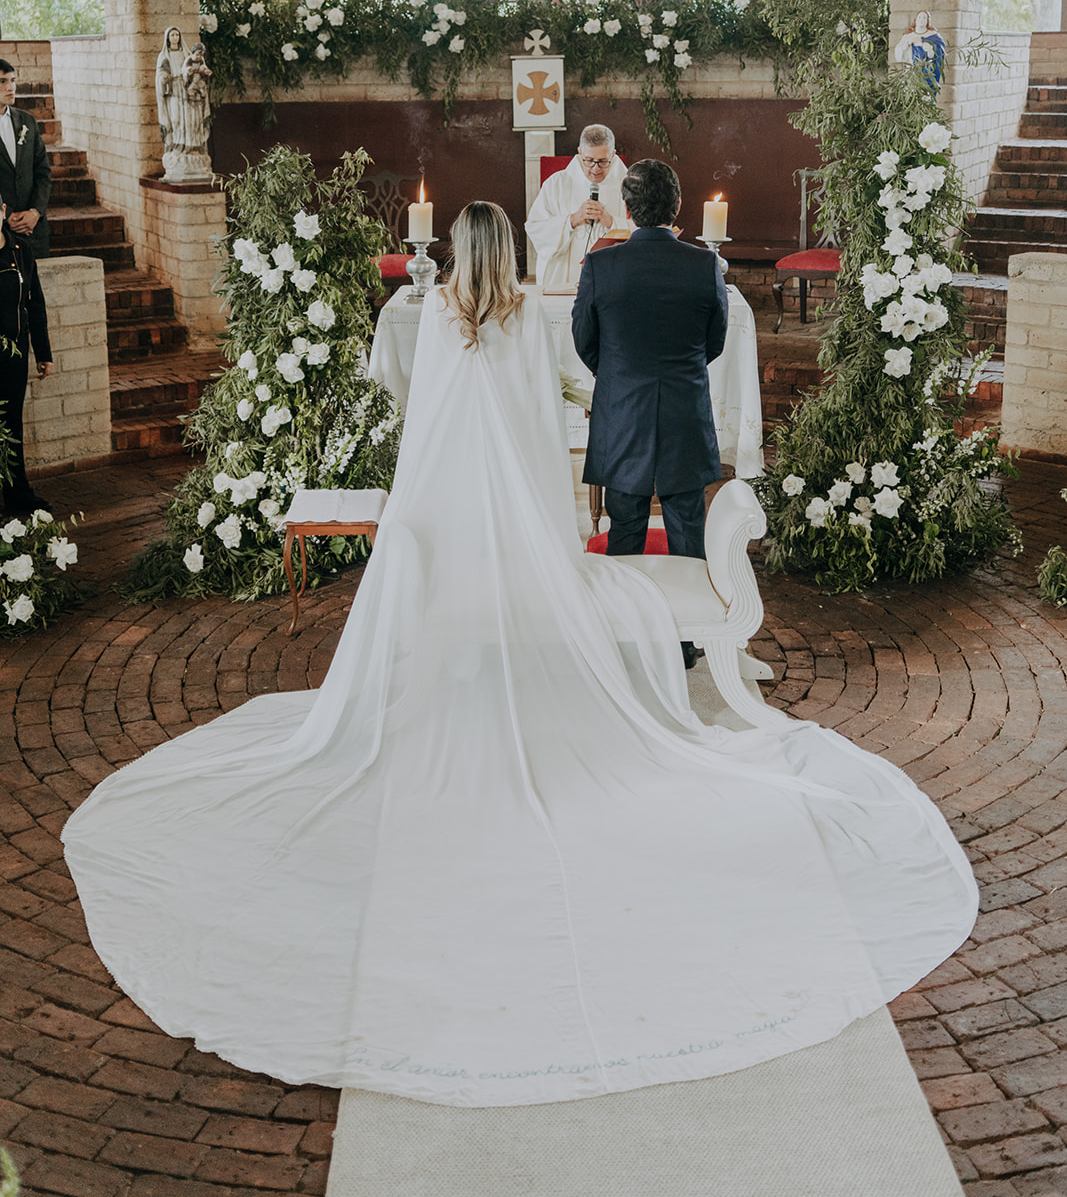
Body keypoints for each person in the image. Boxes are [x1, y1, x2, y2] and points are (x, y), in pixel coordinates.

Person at [62, 200, 977, 1108]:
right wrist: (553, 530)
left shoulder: (435, 319)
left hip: (451, 520)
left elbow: (424, 431)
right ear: (506, 249)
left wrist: (421, 522)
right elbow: (541, 432)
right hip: (514, 521)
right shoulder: (522, 319)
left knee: (451, 624)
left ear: (455, 251)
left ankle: (458, 678)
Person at [573, 159, 728, 564]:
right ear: (677, 205)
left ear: (626, 208)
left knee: (624, 531)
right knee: (688, 532)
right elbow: (715, 340)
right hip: (684, 409)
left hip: (623, 411)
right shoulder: (705, 265)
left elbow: (584, 339)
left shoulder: (600, 265)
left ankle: (625, 605)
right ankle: (691, 606)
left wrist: (618, 371)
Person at [524, 124, 629, 289]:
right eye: (589, 161)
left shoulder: (630, 186)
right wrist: (571, 221)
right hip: (565, 282)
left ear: (613, 155)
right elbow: (535, 228)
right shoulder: (557, 184)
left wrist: (612, 222)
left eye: (602, 161)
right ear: (580, 152)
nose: (595, 169)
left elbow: (645, 230)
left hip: (613, 282)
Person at [0, 200, 53, 514]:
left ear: (3, 210)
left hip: (14, 354)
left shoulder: (20, 249)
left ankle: (17, 495)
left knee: (11, 425)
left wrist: (43, 353)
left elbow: (35, 303)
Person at [0, 57, 51, 259]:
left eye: (13, 80)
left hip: (33, 230)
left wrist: (35, 212)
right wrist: (6, 216)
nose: (10, 87)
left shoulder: (27, 121)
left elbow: (43, 173)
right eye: (2, 81)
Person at [894, 8, 946, 91]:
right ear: (916, 19)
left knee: (925, 95)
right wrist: (906, 44)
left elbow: (939, 49)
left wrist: (927, 46)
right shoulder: (908, 36)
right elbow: (898, 54)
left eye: (924, 17)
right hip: (911, 72)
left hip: (926, 73)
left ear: (928, 21)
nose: (921, 19)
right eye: (919, 17)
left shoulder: (933, 36)